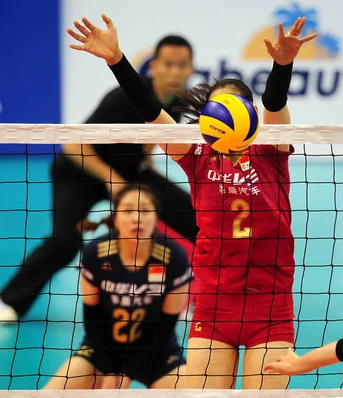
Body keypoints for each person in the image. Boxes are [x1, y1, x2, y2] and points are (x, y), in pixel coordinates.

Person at [67, 13, 316, 390]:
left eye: (233, 107)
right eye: (216, 108)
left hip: (270, 305)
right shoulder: (196, 156)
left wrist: (283, 65)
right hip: (215, 304)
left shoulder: (271, 150)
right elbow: (150, 111)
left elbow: (275, 103)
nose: (223, 116)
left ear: (250, 116)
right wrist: (116, 60)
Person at [0, 35, 197, 322]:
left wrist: (143, 172)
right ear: (154, 66)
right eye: (169, 64)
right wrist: (113, 181)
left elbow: (150, 141)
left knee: (195, 216)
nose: (175, 72)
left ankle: (203, 296)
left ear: (191, 68)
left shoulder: (178, 103)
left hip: (129, 173)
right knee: (65, 241)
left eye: (182, 65)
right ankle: (10, 301)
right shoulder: (123, 98)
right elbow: (74, 145)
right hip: (79, 172)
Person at [44, 184, 193, 390]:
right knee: (48, 394)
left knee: (193, 392)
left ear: (157, 217)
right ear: (115, 216)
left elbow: (166, 324)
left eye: (145, 210)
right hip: (101, 349)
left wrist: (128, 371)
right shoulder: (95, 252)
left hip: (158, 352)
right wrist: (110, 368)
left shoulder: (173, 256)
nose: (137, 218)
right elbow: (93, 317)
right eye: (128, 210)